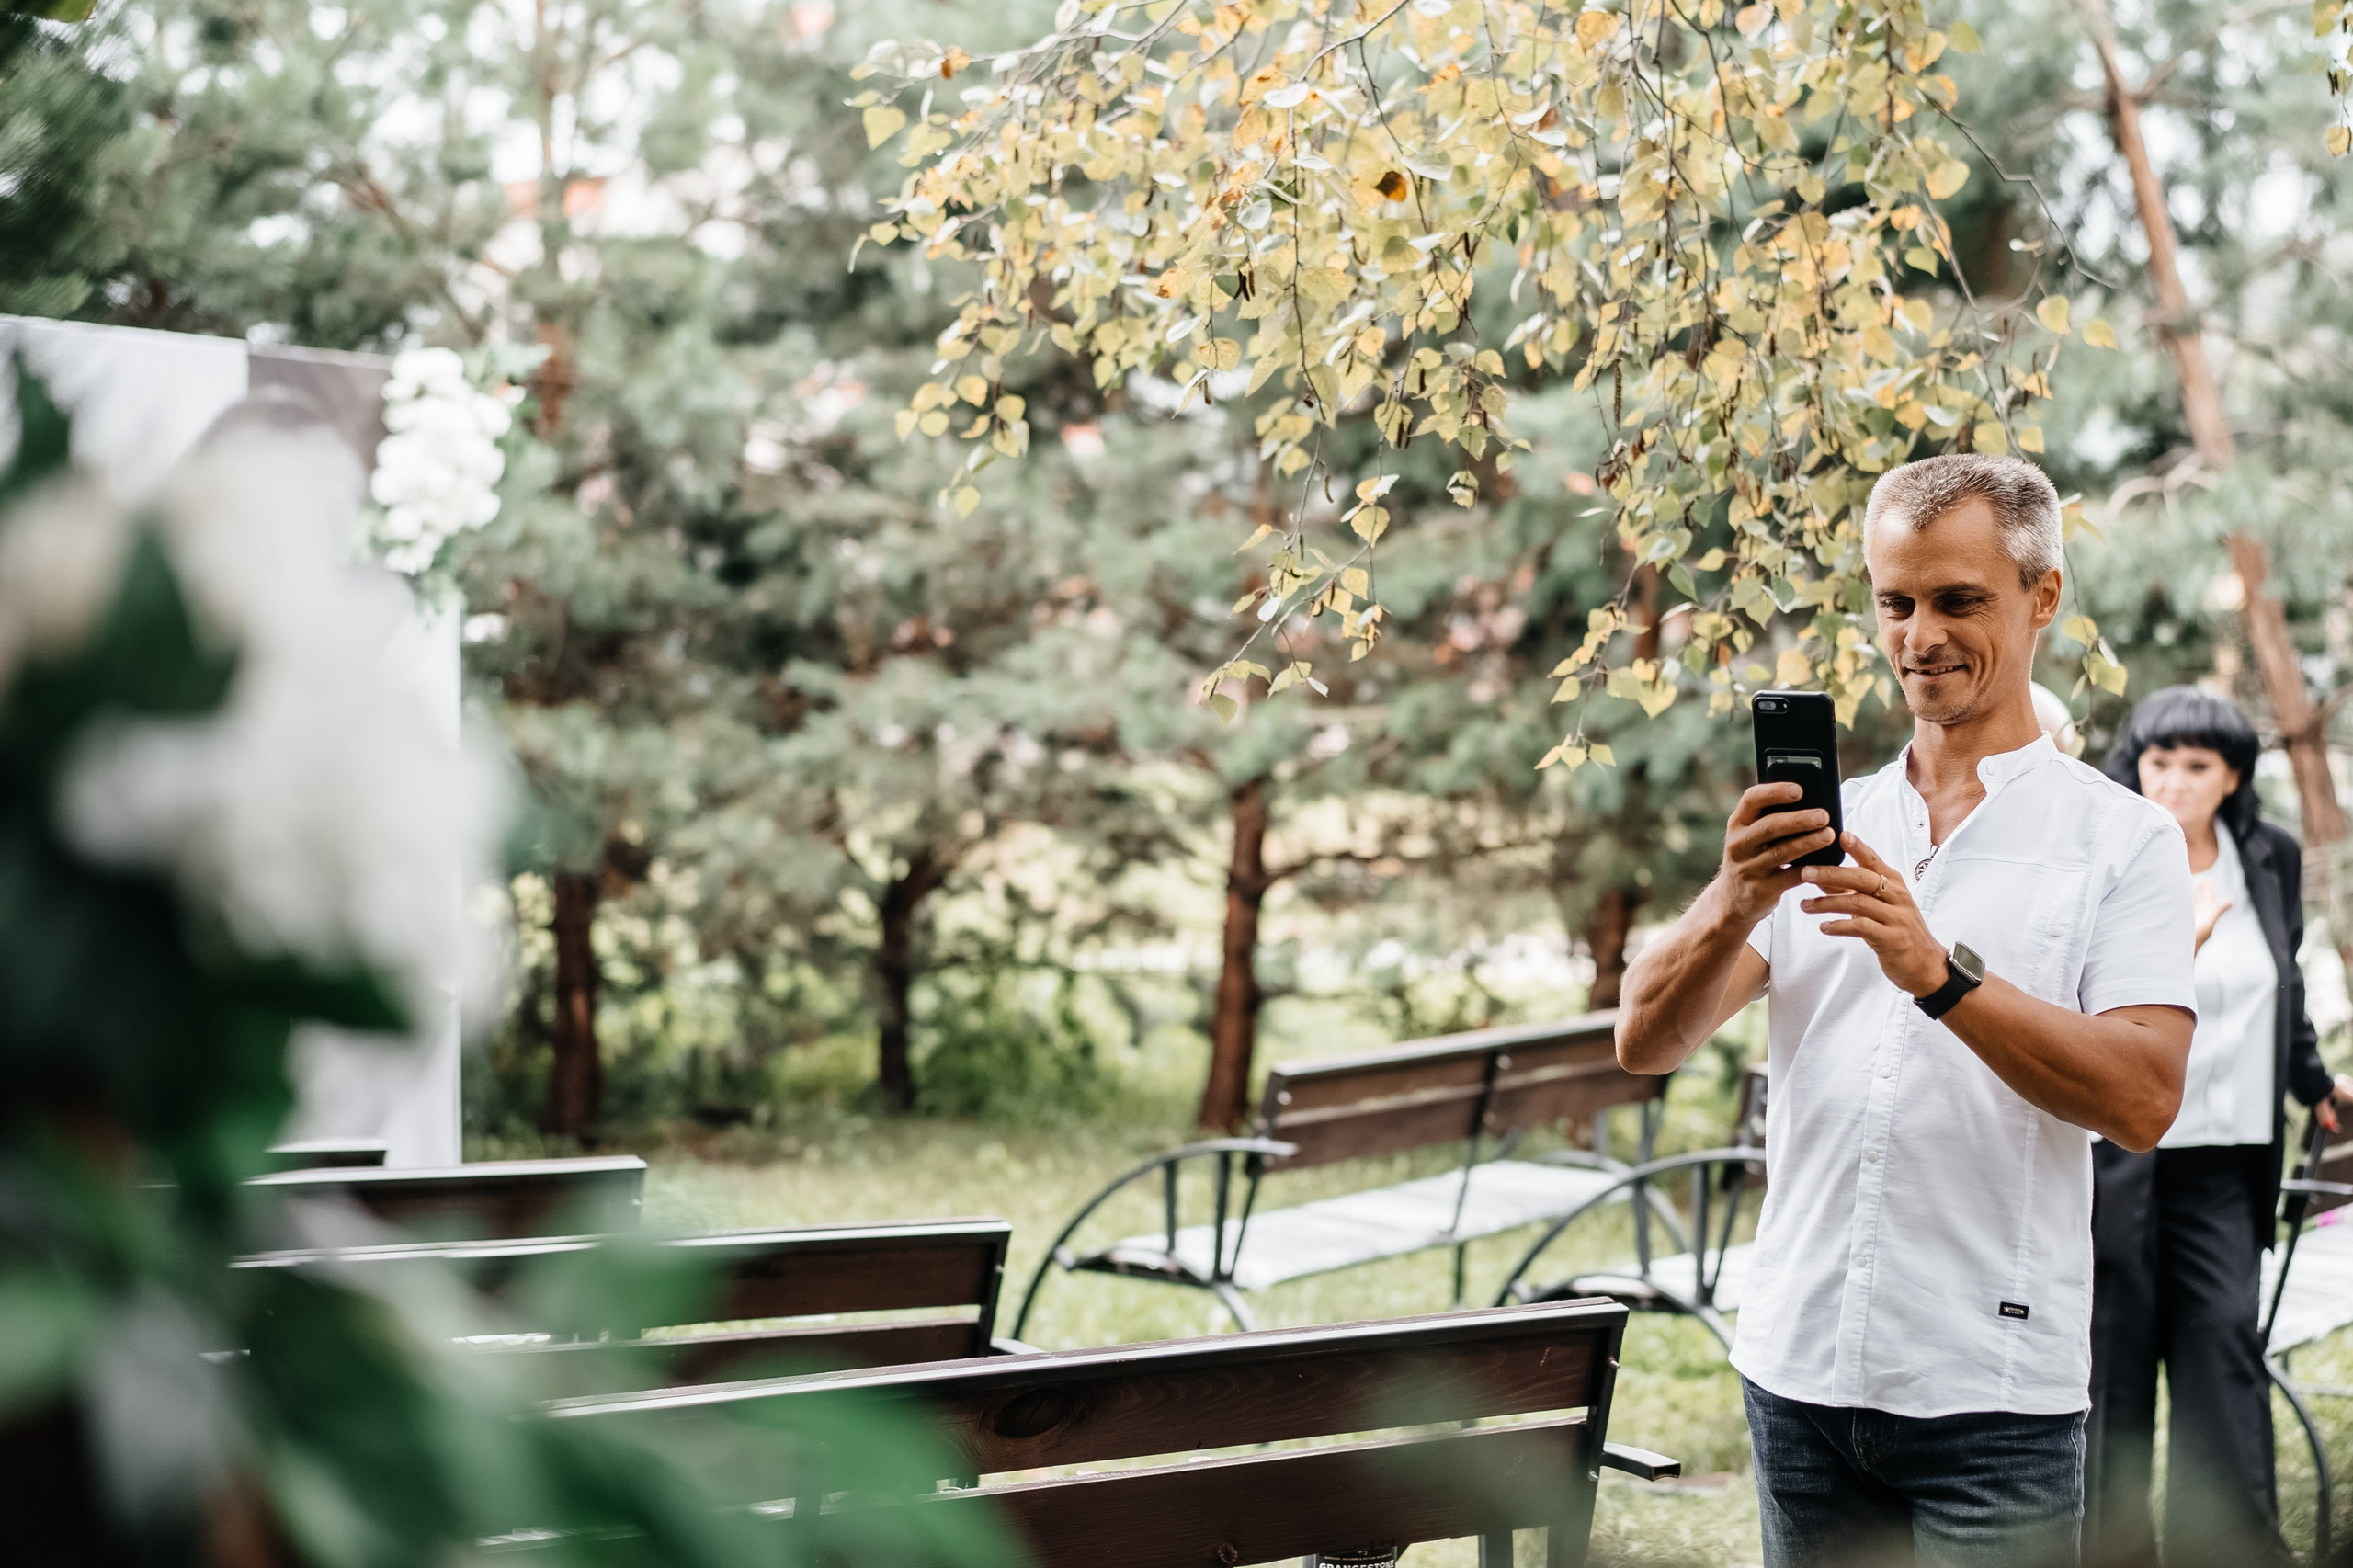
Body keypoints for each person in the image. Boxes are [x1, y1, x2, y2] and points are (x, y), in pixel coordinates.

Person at [1616, 452, 2197, 1568]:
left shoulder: (2123, 840)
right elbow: (1643, 1041)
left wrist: (1941, 975)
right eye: (1895, 602)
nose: (1918, 635)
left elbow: (2140, 1097)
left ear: (2042, 594)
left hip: (1991, 1392)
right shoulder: (1828, 827)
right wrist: (1733, 896)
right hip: (1796, 1370)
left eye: (1956, 599)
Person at [2086, 687, 2353, 1565]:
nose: (2172, 780)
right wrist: (2181, 946)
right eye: (2157, 761)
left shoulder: (2267, 854)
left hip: (2227, 1164)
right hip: (2120, 1158)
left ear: (2232, 776)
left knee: (2225, 1348)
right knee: (2113, 1367)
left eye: (2196, 765)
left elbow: (2285, 984)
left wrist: (2316, 1082)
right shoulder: (2106, 851)